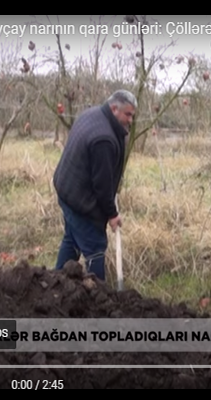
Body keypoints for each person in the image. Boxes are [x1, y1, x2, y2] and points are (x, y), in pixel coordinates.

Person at [52, 90, 137, 281]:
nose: (131, 120)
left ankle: (55, 283)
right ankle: (98, 298)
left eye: (132, 115)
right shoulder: (104, 139)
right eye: (128, 115)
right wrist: (112, 214)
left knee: (72, 238)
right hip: (79, 199)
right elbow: (102, 186)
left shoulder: (94, 114)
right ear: (114, 109)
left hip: (66, 189)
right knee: (95, 247)